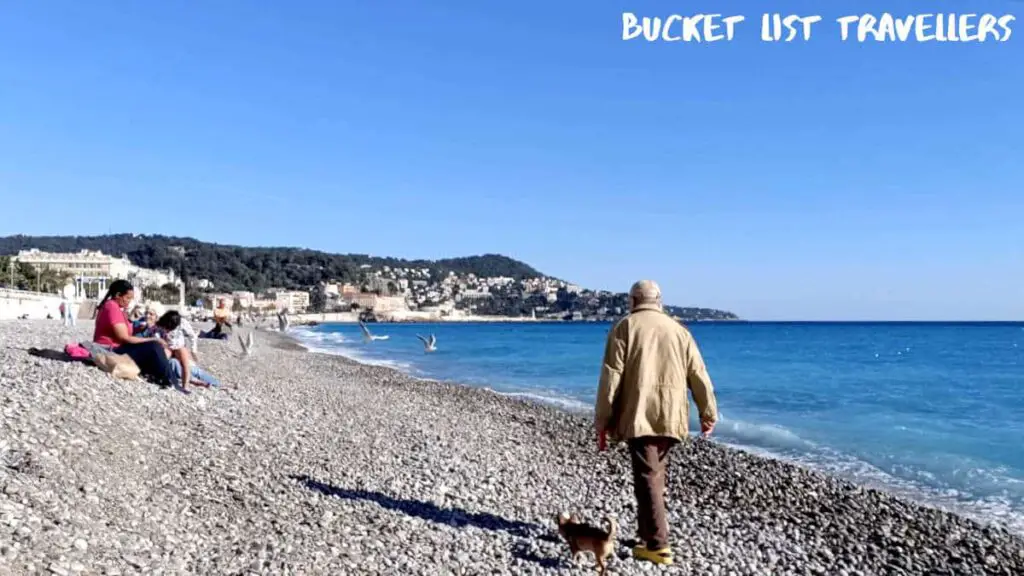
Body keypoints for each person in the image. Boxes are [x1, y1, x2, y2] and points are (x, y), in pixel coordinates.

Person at [594, 280, 718, 566]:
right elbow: (698, 374)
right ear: (659, 300)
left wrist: (603, 420)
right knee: (653, 474)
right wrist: (707, 413)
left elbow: (611, 376)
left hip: (641, 413)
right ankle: (646, 534)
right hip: (672, 414)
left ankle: (658, 545)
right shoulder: (679, 331)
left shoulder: (625, 326)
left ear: (633, 300)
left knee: (648, 478)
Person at [91, 280, 176, 389]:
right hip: (110, 349)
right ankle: (170, 380)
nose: (129, 302)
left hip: (115, 347)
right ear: (118, 295)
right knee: (154, 347)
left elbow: (124, 331)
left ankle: (162, 377)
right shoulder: (112, 307)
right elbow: (124, 337)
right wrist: (153, 339)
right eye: (127, 298)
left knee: (153, 348)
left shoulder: (113, 307)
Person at [145, 310, 220, 389]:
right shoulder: (160, 324)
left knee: (190, 367)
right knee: (169, 363)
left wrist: (193, 351)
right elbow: (156, 338)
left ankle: (214, 383)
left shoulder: (182, 322)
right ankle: (194, 381)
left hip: (178, 346)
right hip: (167, 347)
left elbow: (192, 336)